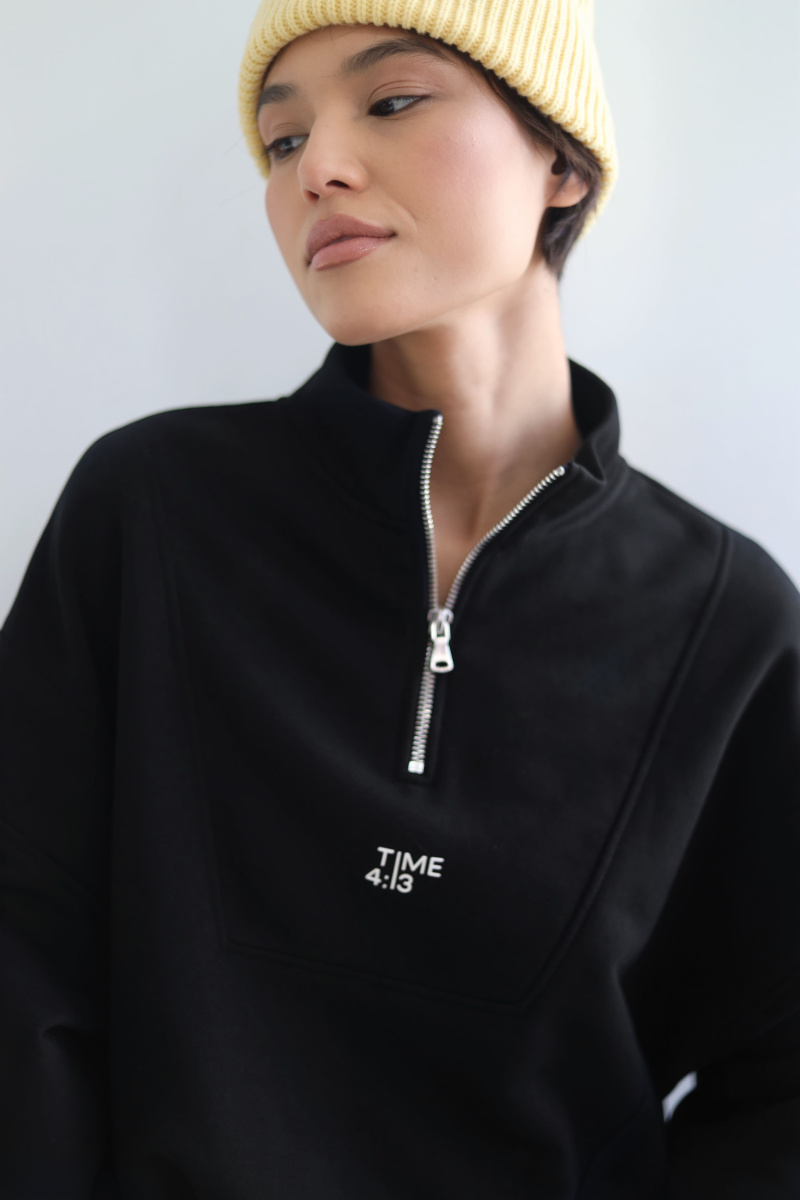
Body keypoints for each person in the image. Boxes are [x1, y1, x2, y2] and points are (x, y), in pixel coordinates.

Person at [1, 0, 799, 1196]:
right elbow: (24, 961)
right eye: (281, 139)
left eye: (390, 101)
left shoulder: (726, 622)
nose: (315, 168)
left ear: (561, 161)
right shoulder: (152, 511)